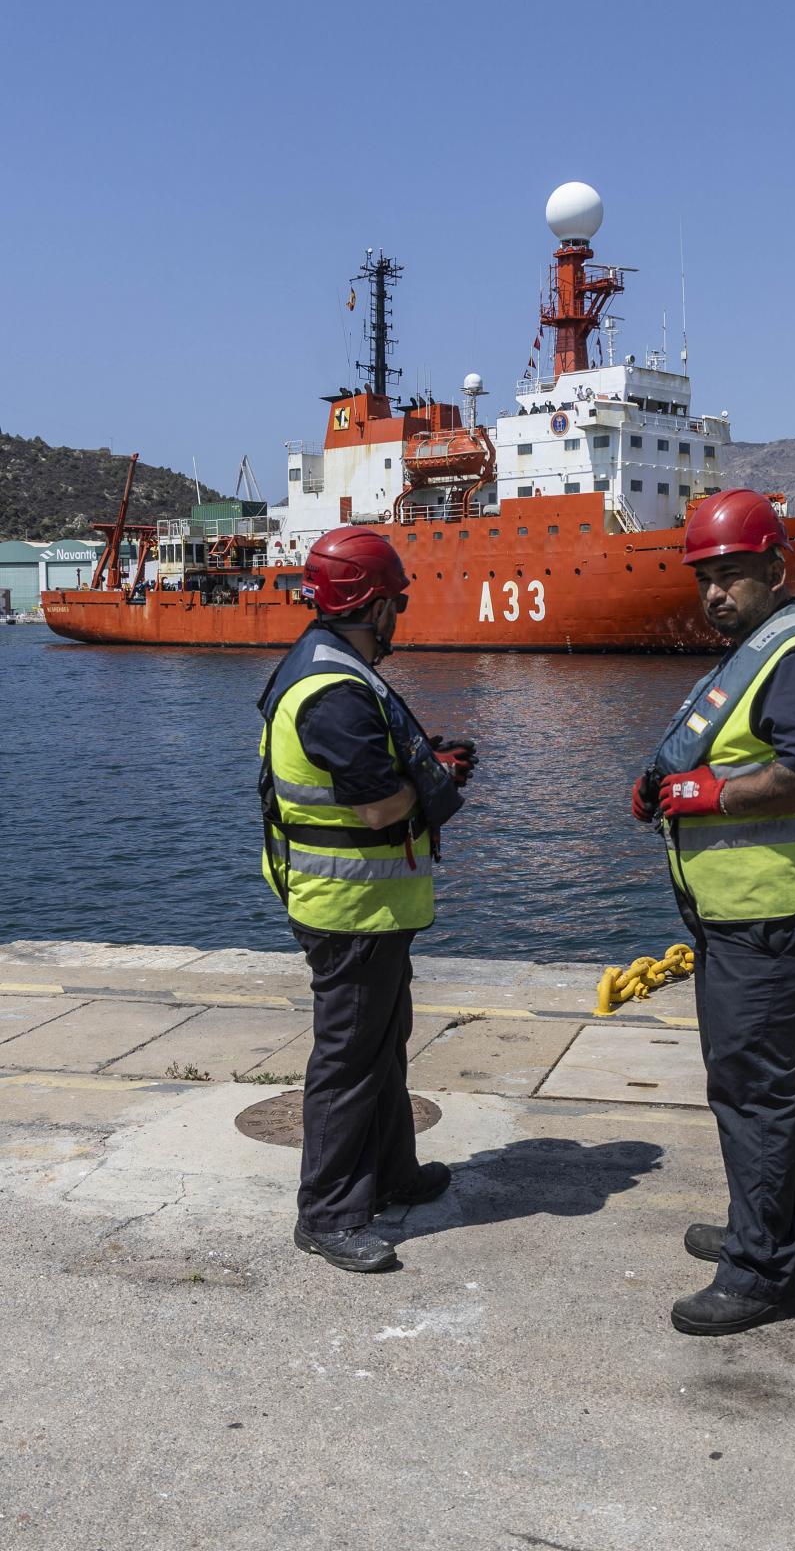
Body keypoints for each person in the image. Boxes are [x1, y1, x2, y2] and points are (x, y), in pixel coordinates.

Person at [632, 489, 795, 1336]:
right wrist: (667, 785)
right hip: (748, 908)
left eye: (732, 575)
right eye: (705, 579)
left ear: (776, 567)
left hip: (780, 910)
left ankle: (761, 1274)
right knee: (754, 1080)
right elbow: (723, 749)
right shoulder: (753, 653)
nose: (716, 593)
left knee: (750, 1086)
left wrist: (711, 795)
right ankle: (768, 1230)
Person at [257, 526, 478, 1275]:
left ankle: (393, 1174)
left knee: (381, 1047)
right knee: (349, 1060)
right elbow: (380, 807)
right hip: (347, 910)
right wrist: (435, 779)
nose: (401, 617)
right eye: (398, 603)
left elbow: (371, 771)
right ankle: (327, 1214)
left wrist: (429, 761)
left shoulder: (331, 666)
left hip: (370, 910)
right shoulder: (333, 689)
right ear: (375, 604)